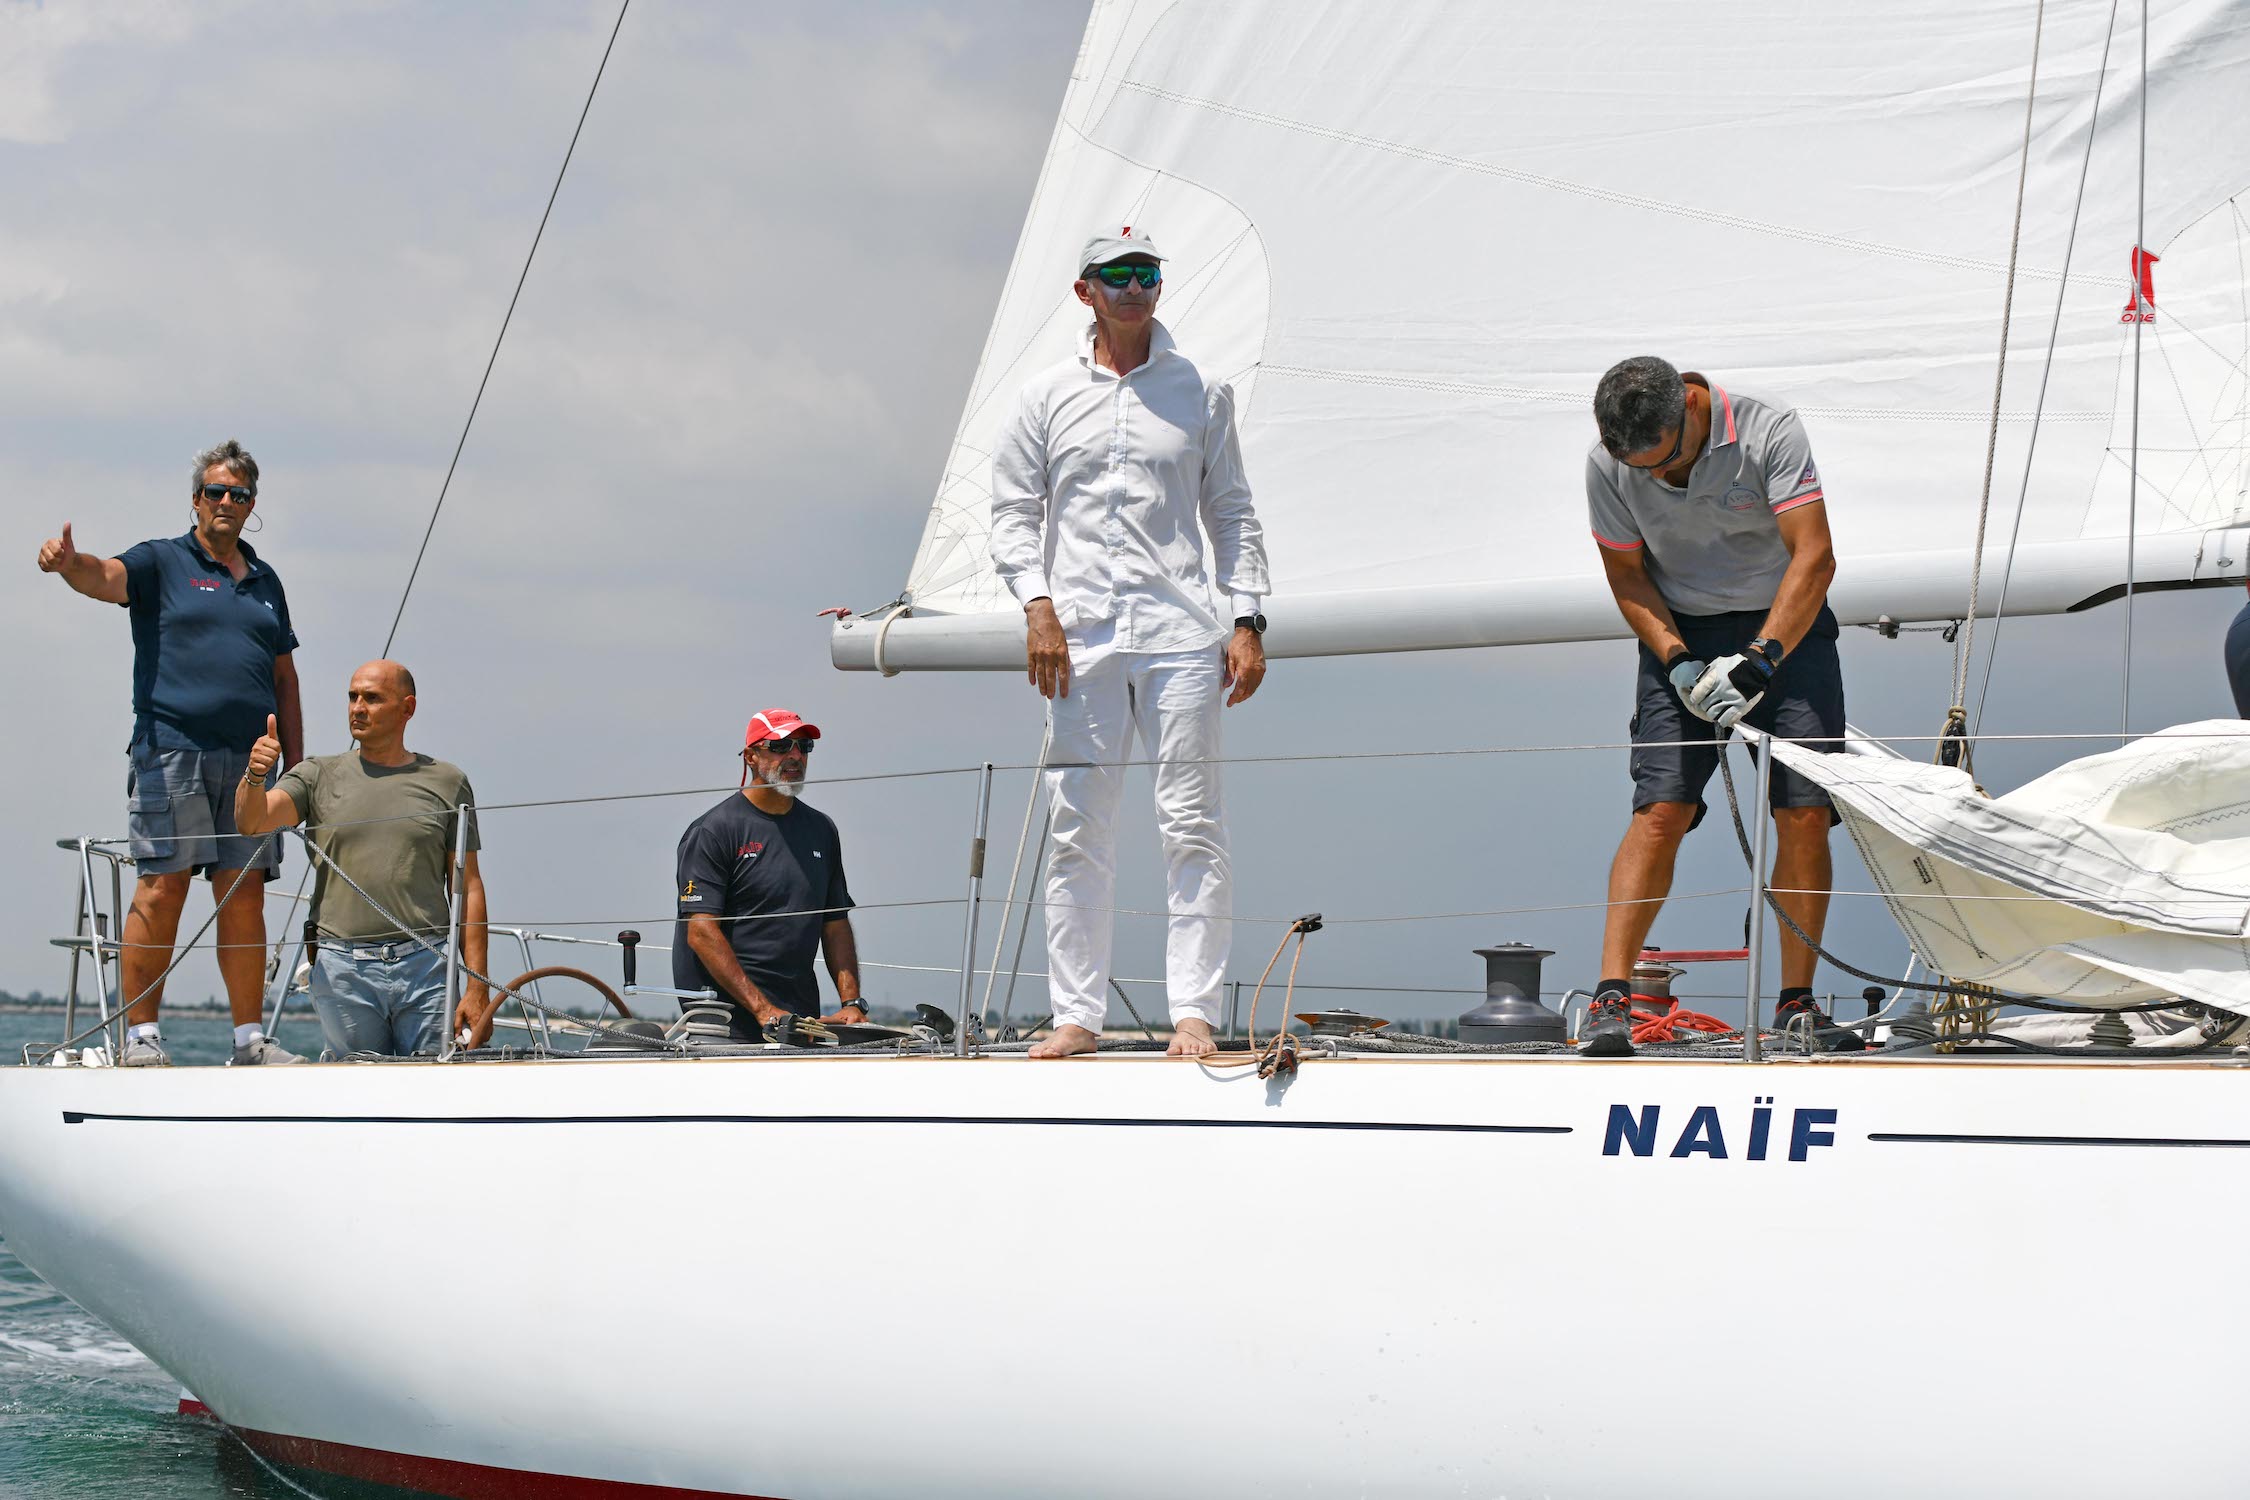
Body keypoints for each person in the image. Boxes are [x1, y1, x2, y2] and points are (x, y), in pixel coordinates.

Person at [989, 225, 1271, 1060]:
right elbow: (1011, 513)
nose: (1135, 288)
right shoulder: (1044, 395)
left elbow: (1233, 511)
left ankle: (1195, 1012)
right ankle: (1077, 1014)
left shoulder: (1201, 390)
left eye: (1147, 273)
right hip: (1078, 637)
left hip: (1183, 633)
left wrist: (1247, 619)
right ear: (1086, 292)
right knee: (1078, 825)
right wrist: (1036, 607)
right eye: (1117, 276)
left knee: (1192, 823)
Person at [1581, 355, 1862, 1057]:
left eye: (1663, 464)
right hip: (1681, 633)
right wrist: (1675, 660)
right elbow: (1626, 574)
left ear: (1692, 414)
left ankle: (1796, 1004)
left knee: (1803, 813)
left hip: (1786, 628)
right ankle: (1609, 999)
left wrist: (1762, 657)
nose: (1654, 480)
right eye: (1639, 470)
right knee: (1660, 810)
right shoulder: (1609, 463)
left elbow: (1815, 558)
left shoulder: (1770, 432)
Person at [36, 439, 306, 1067]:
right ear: (196, 500)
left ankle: (248, 1041)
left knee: (244, 894)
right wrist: (67, 562)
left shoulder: (267, 582)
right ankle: (142, 1040)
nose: (227, 503)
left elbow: (285, 678)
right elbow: (104, 578)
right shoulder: (163, 561)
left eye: (239, 495)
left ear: (252, 506)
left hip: (253, 766)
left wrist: (296, 771)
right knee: (162, 889)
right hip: (171, 752)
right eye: (216, 492)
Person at [235, 661, 489, 1057]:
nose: (357, 707)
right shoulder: (317, 775)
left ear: (407, 708)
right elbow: (252, 822)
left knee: (435, 1095)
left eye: (371, 698)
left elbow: (468, 886)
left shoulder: (448, 782)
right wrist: (254, 775)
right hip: (343, 969)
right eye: (353, 697)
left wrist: (477, 986)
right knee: (355, 1096)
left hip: (428, 966)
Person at [671, 710, 865, 1040]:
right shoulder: (714, 831)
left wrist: (852, 1002)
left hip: (798, 1019)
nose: (795, 756)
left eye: (803, 746)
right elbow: (701, 931)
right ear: (751, 756)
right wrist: (763, 1010)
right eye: (780, 745)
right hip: (725, 1021)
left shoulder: (822, 830)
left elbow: (834, 923)